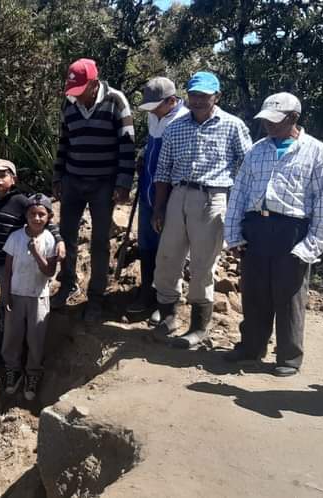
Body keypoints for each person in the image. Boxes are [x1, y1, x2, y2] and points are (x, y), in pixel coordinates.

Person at [222, 92, 323, 377]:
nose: (269, 126)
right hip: (257, 227)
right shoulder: (257, 150)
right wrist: (233, 234)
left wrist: (312, 245)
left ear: (293, 118)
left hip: (291, 231)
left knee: (289, 297)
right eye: (266, 121)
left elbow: (322, 200)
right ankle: (251, 347)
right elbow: (240, 192)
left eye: (276, 121)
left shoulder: (315, 150)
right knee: (255, 292)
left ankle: (289, 356)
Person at [151, 71, 252, 349]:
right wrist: (159, 207)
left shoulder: (233, 126)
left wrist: (241, 208)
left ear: (216, 97)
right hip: (178, 195)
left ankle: (197, 327)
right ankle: (169, 316)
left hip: (212, 198)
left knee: (202, 265)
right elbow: (163, 170)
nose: (197, 101)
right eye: (193, 95)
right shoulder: (176, 126)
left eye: (203, 96)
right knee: (168, 258)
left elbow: (248, 167)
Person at [52, 57, 137, 321]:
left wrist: (123, 183)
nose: (77, 97)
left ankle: (96, 297)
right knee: (66, 236)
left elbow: (127, 144)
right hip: (73, 179)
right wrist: (58, 176)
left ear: (94, 84)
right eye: (72, 91)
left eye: (81, 91)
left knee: (100, 241)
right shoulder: (69, 102)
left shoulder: (116, 101)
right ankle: (68, 283)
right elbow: (64, 142)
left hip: (103, 183)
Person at [0, 159, 65, 365]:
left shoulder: (22, 202)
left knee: (6, 304)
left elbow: (45, 220)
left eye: (2, 175)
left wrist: (59, 240)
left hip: (7, 263)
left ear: (13, 179)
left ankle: (3, 346)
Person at [127, 76, 189, 322]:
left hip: (169, 195)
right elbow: (152, 145)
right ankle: (146, 292)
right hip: (147, 190)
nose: (151, 111)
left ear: (172, 101)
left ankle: (164, 299)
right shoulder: (156, 117)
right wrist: (142, 155)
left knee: (168, 249)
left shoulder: (184, 120)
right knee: (146, 243)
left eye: (156, 106)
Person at [1, 194, 60, 401]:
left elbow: (49, 272)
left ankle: (32, 373)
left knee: (35, 338)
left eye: (41, 214)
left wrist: (36, 253)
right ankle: (13, 370)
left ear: (49, 217)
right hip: (16, 294)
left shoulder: (50, 240)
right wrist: (5, 293)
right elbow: (7, 269)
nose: (36, 218)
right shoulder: (15, 237)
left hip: (38, 296)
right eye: (32, 214)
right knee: (13, 335)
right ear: (26, 215)